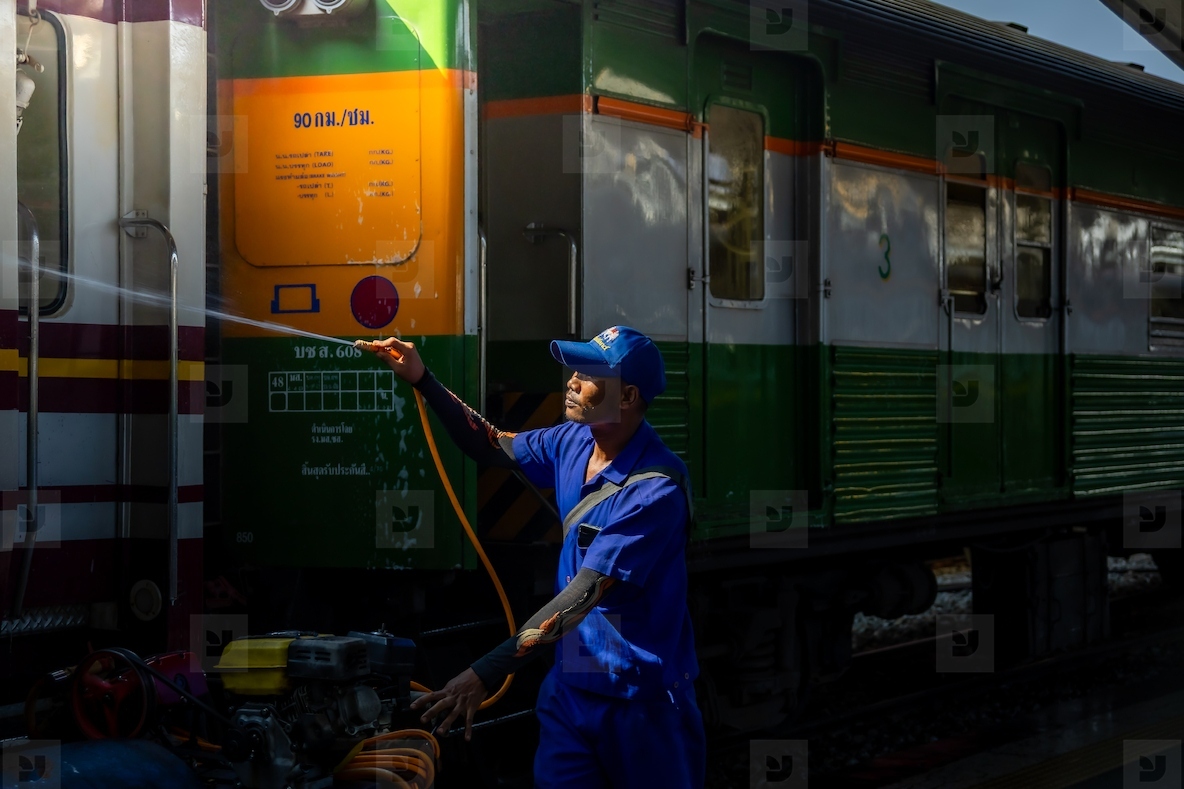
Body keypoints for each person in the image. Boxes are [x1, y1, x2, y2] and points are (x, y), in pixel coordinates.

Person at [362, 325, 706, 788]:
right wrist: (423, 378)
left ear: (626, 397)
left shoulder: (655, 491)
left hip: (640, 702)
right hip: (571, 690)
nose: (571, 380)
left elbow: (583, 596)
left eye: (588, 374)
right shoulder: (573, 441)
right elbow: (489, 442)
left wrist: (484, 673)